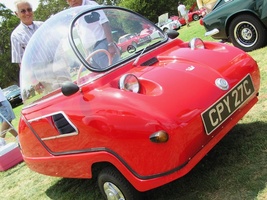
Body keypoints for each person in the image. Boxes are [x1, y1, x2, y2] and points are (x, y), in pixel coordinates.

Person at [66, 0, 120, 70]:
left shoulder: (90, 5)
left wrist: (110, 44)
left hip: (101, 45)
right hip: (91, 51)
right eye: (69, 0)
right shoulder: (75, 12)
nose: (73, 1)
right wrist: (87, 55)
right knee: (102, 76)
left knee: (114, 71)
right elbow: (81, 34)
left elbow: (105, 23)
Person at [11, 0, 43, 67]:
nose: (27, 13)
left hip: (54, 69)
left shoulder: (43, 26)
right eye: (23, 11)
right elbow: (20, 62)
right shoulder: (16, 35)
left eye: (29, 9)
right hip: (36, 73)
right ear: (17, 14)